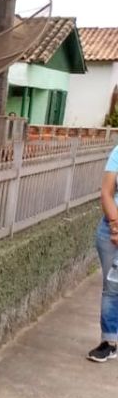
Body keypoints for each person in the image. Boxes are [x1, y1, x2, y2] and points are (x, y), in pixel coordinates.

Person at [87, 146, 118, 362]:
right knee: (112, 287)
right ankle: (109, 341)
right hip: (111, 230)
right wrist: (116, 226)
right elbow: (106, 192)